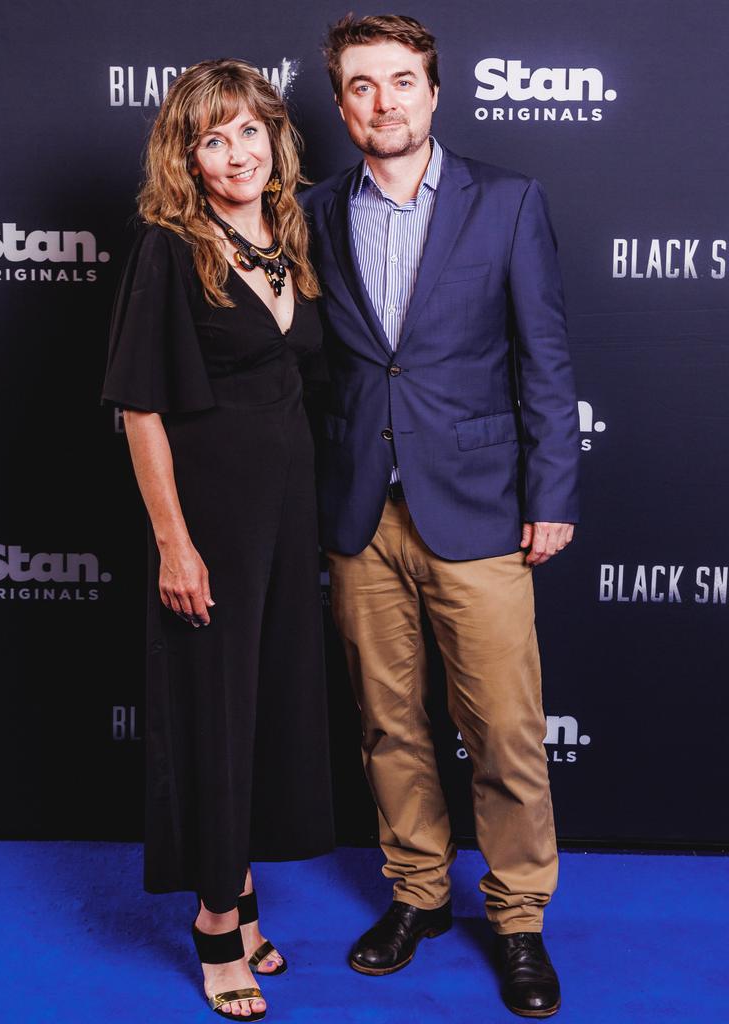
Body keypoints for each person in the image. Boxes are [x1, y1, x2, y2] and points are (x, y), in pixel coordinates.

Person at [301, 14, 579, 1018]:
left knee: (503, 729)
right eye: (363, 86)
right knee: (388, 723)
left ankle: (517, 918)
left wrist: (552, 494)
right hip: (360, 512)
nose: (384, 102)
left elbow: (544, 359)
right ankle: (417, 892)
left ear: (434, 92)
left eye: (402, 82)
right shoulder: (314, 211)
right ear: (341, 105)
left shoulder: (507, 203)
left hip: (480, 512)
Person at [102, 59, 334, 1021]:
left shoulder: (296, 231)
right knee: (212, 711)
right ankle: (212, 925)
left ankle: (242, 896)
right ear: (186, 157)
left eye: (250, 132)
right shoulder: (167, 247)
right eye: (212, 138)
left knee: (267, 706)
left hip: (292, 514)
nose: (236, 153)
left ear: (275, 138)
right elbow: (139, 409)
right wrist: (174, 544)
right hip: (211, 521)